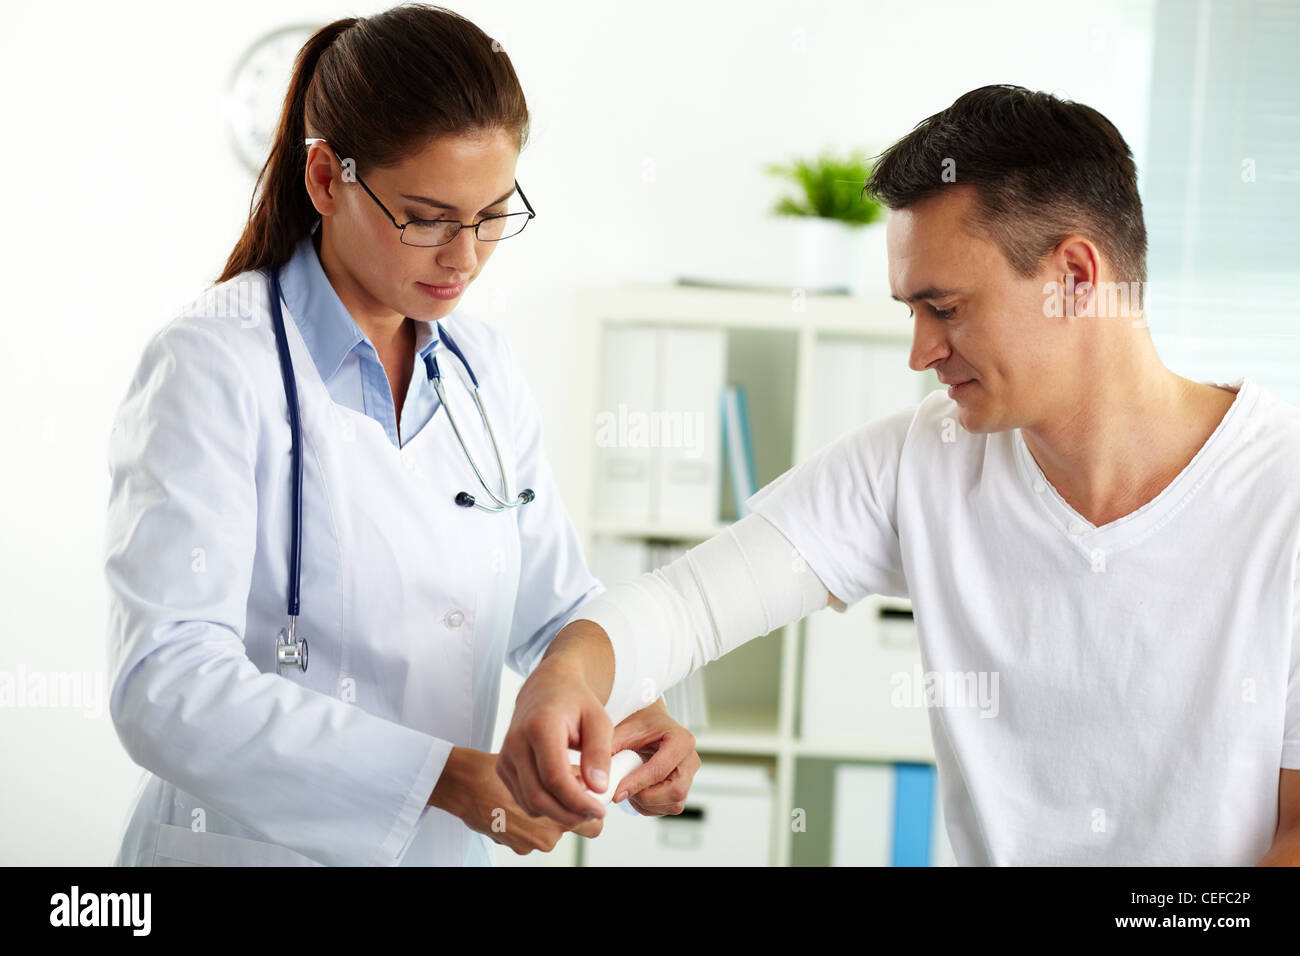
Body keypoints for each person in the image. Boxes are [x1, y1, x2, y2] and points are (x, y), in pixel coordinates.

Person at [497, 85, 1300, 865]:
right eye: (910, 312)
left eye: (945, 308)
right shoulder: (924, 460)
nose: (919, 353)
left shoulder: (1282, 494)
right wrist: (564, 677)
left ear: (1076, 279)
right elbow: (687, 606)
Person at [104, 4, 698, 867]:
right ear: (324, 179)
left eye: (494, 214)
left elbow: (556, 608)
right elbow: (166, 683)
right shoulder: (213, 364)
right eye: (427, 216)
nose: (466, 255)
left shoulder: (481, 370)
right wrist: (440, 777)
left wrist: (629, 712)